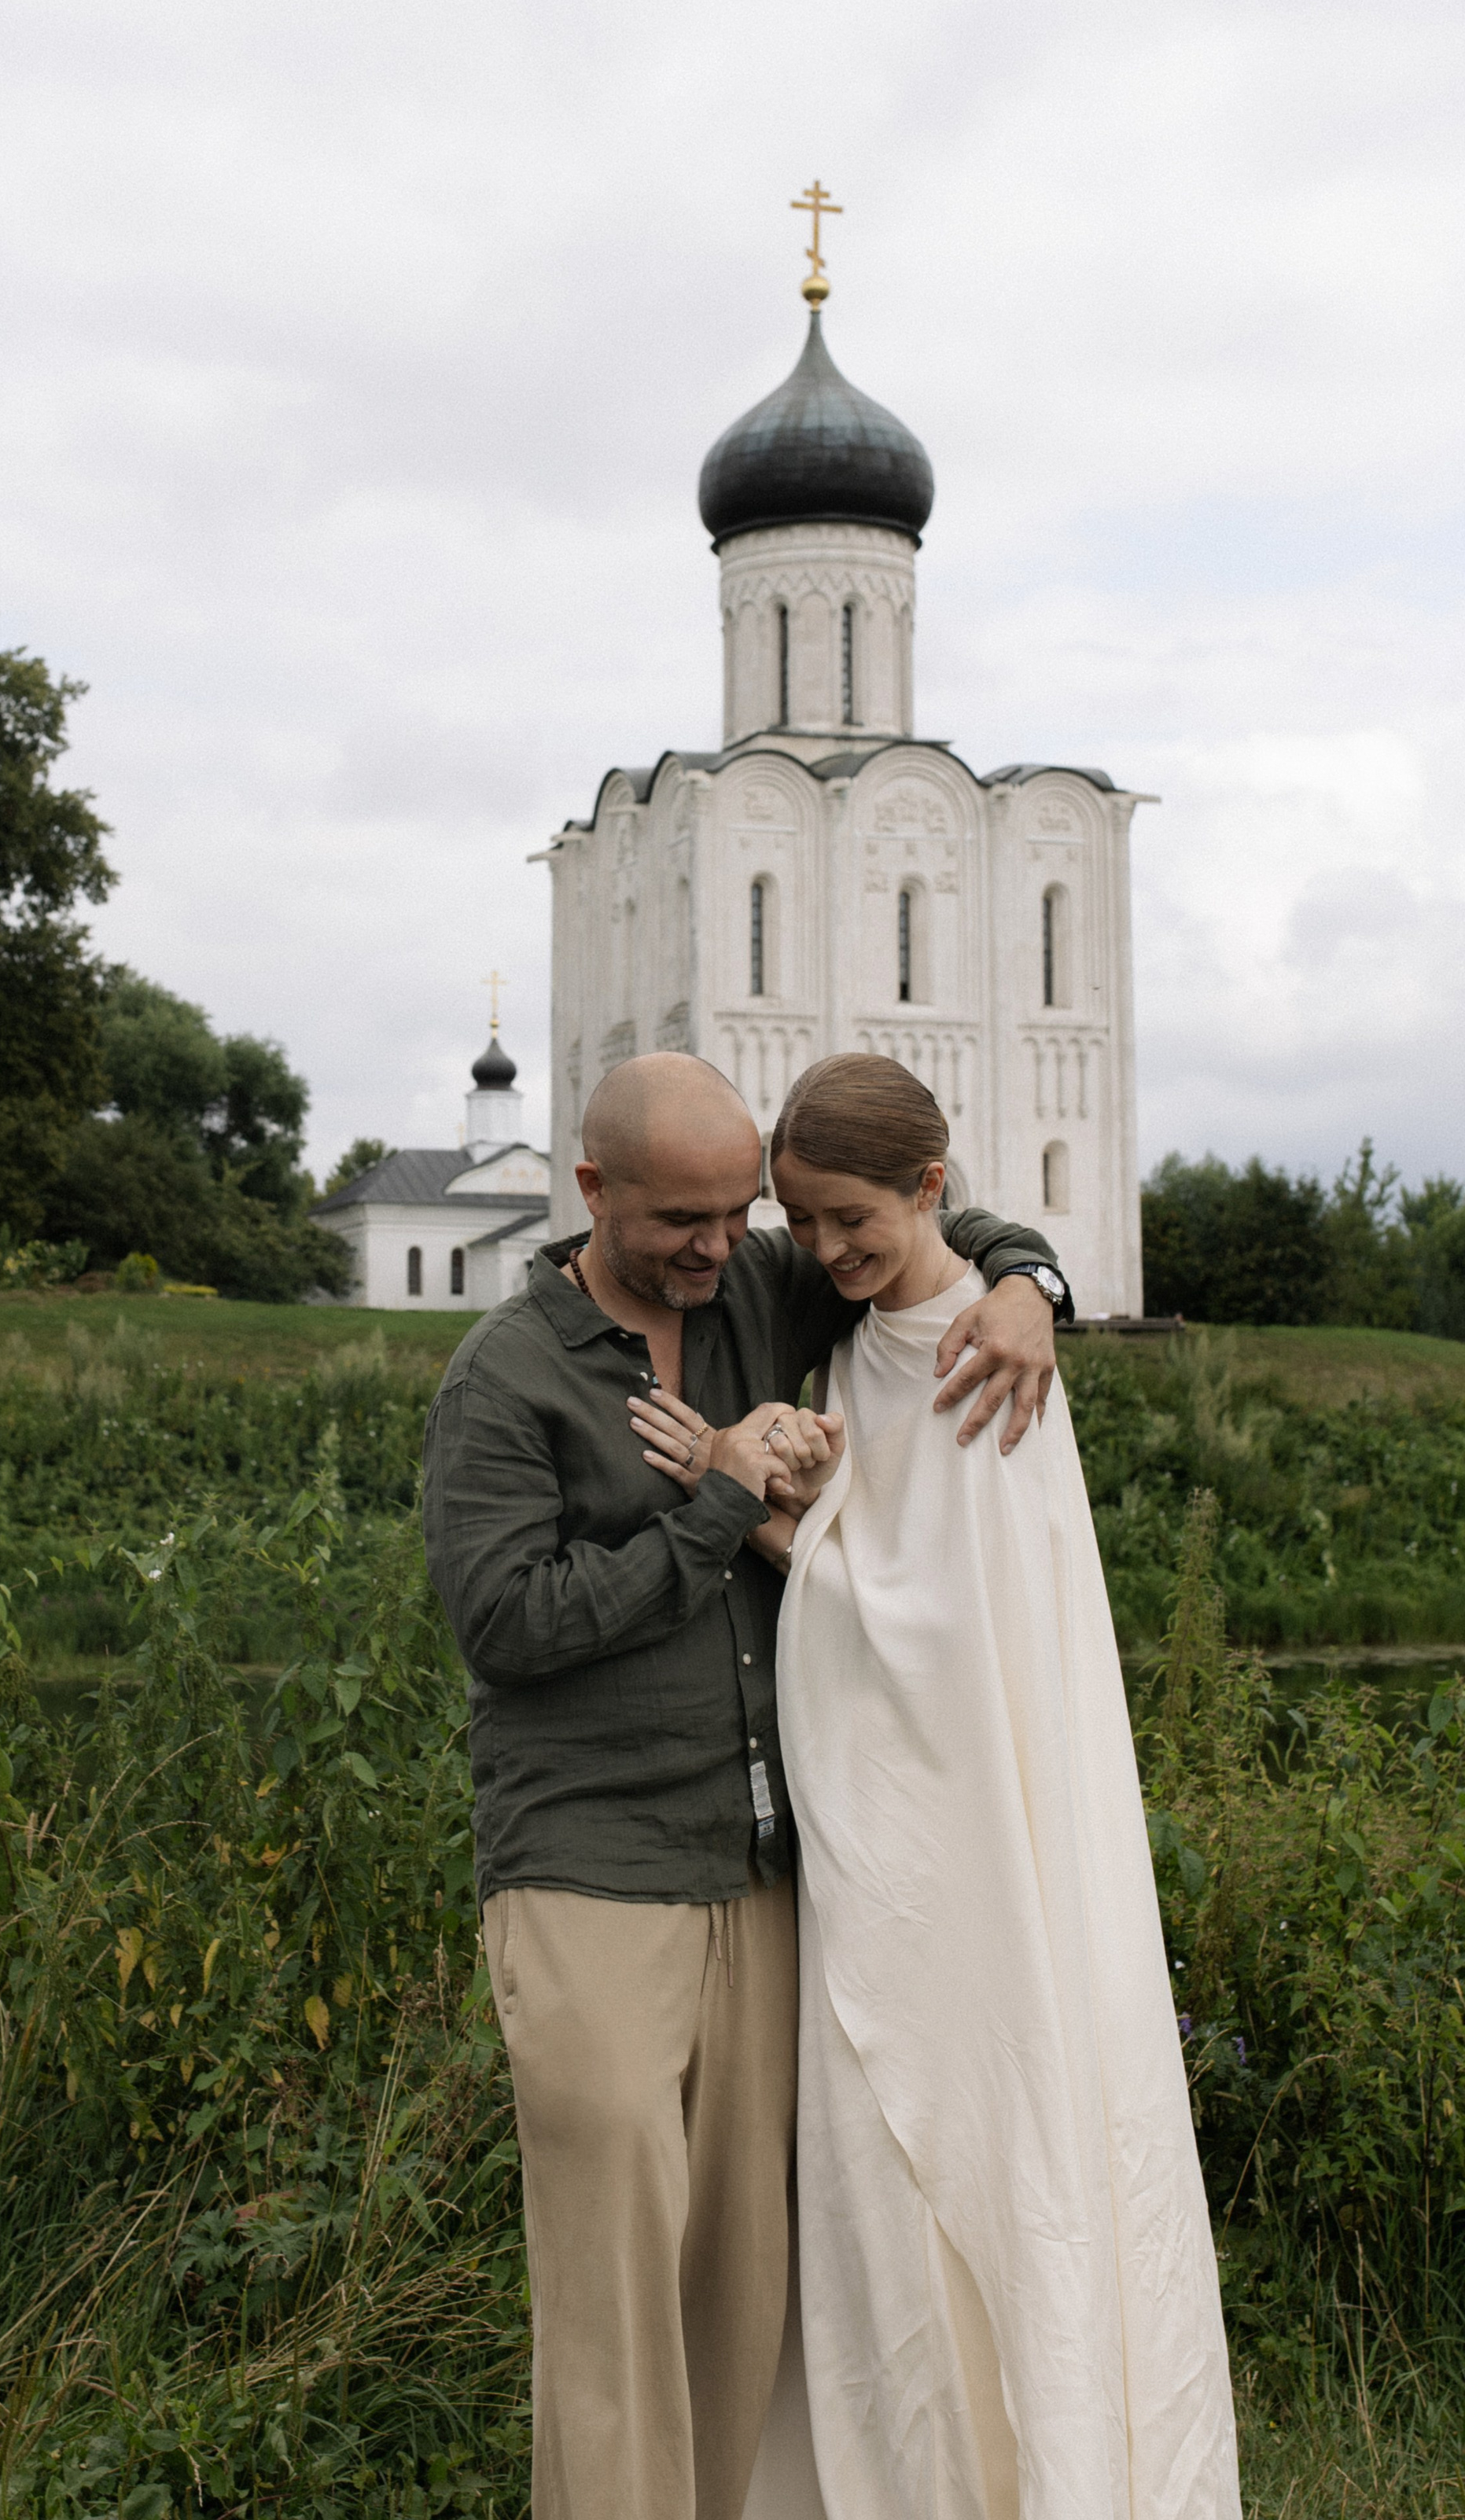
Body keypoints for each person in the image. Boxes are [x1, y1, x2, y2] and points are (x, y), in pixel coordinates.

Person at [420, 1050, 1072, 2520]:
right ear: (592, 1191)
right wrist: (717, 1503)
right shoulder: (505, 1380)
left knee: (740, 2295)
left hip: (764, 1868)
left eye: (738, 1214)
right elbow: (508, 1625)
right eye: (682, 1220)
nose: (723, 1246)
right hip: (589, 1870)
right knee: (613, 2293)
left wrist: (1032, 1286)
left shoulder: (755, 1291)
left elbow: (926, 1220)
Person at [632, 1052, 1240, 2520]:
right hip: (871, 1858)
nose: (827, 1248)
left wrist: (745, 1507)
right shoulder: (850, 1347)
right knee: (874, 2200)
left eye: (854, 1217)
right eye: (804, 1220)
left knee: (984, 2138)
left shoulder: (990, 1348)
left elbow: (941, 1639)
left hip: (961, 1855)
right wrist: (787, 1493)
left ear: (929, 1186)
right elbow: (890, 1560)